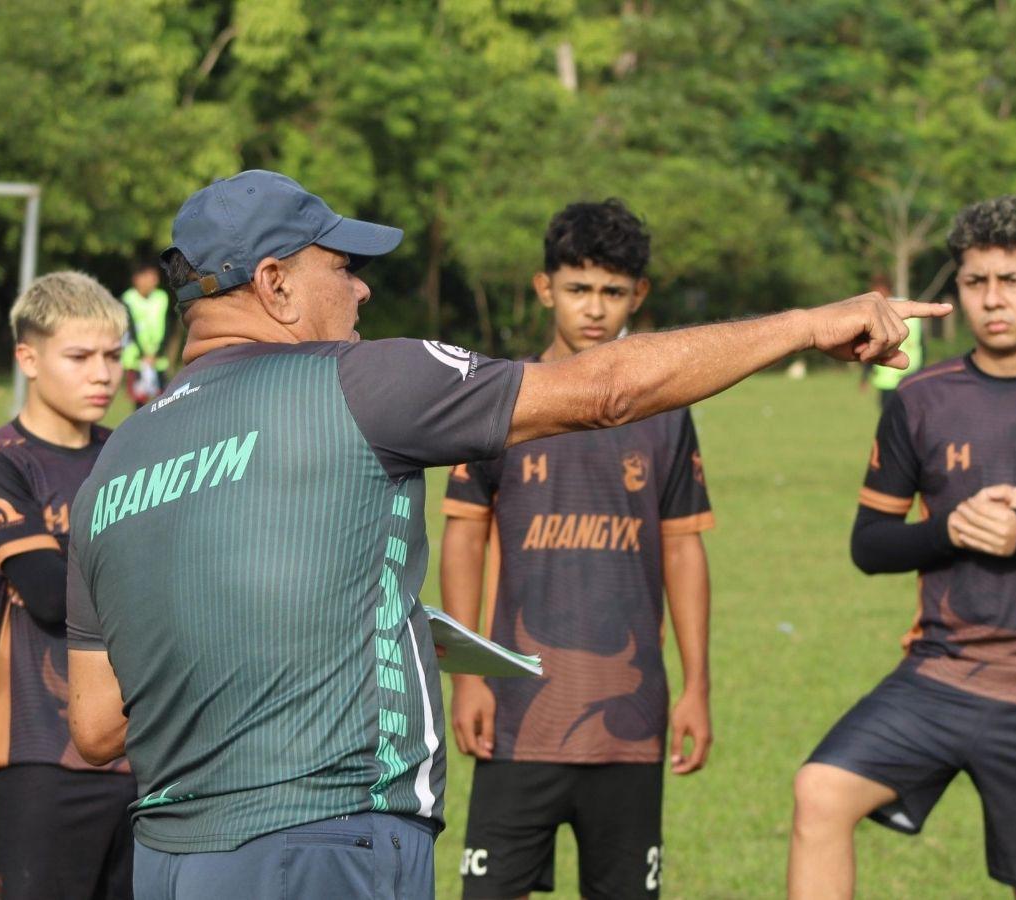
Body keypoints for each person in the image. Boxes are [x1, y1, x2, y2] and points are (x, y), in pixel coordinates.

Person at [62, 170, 947, 900]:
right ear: (276, 281)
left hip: (174, 860)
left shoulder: (112, 464)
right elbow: (603, 393)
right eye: (343, 264)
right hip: (321, 842)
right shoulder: (364, 381)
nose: (363, 285)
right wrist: (805, 324)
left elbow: (98, 726)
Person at [788, 196, 1016, 900]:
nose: (993, 299)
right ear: (957, 289)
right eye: (975, 281)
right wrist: (948, 529)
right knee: (821, 792)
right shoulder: (918, 398)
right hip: (941, 673)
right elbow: (870, 546)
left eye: (1012, 281)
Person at [441, 200, 712, 900]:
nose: (595, 309)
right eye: (579, 289)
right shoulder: (502, 400)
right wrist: (467, 675)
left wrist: (697, 687)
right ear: (544, 288)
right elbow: (464, 537)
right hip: (517, 712)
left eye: (613, 292)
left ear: (638, 295)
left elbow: (684, 553)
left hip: (631, 718)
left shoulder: (667, 413)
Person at [0, 272, 135, 899]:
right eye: (81, 356)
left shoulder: (134, 456)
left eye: (114, 356)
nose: (103, 375)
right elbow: (48, 594)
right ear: (28, 358)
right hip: (41, 756)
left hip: (148, 753)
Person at [859, 274, 925, 411]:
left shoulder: (878, 314)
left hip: (894, 377)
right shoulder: (909, 308)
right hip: (907, 375)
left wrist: (865, 376)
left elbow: (871, 347)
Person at [121, 261, 172, 408]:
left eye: (155, 277)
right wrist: (144, 355)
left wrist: (157, 353)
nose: (154, 281)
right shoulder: (128, 299)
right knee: (140, 400)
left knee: (165, 398)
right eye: (149, 277)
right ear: (137, 279)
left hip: (158, 358)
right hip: (137, 359)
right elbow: (130, 330)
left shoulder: (161, 297)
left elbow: (166, 327)